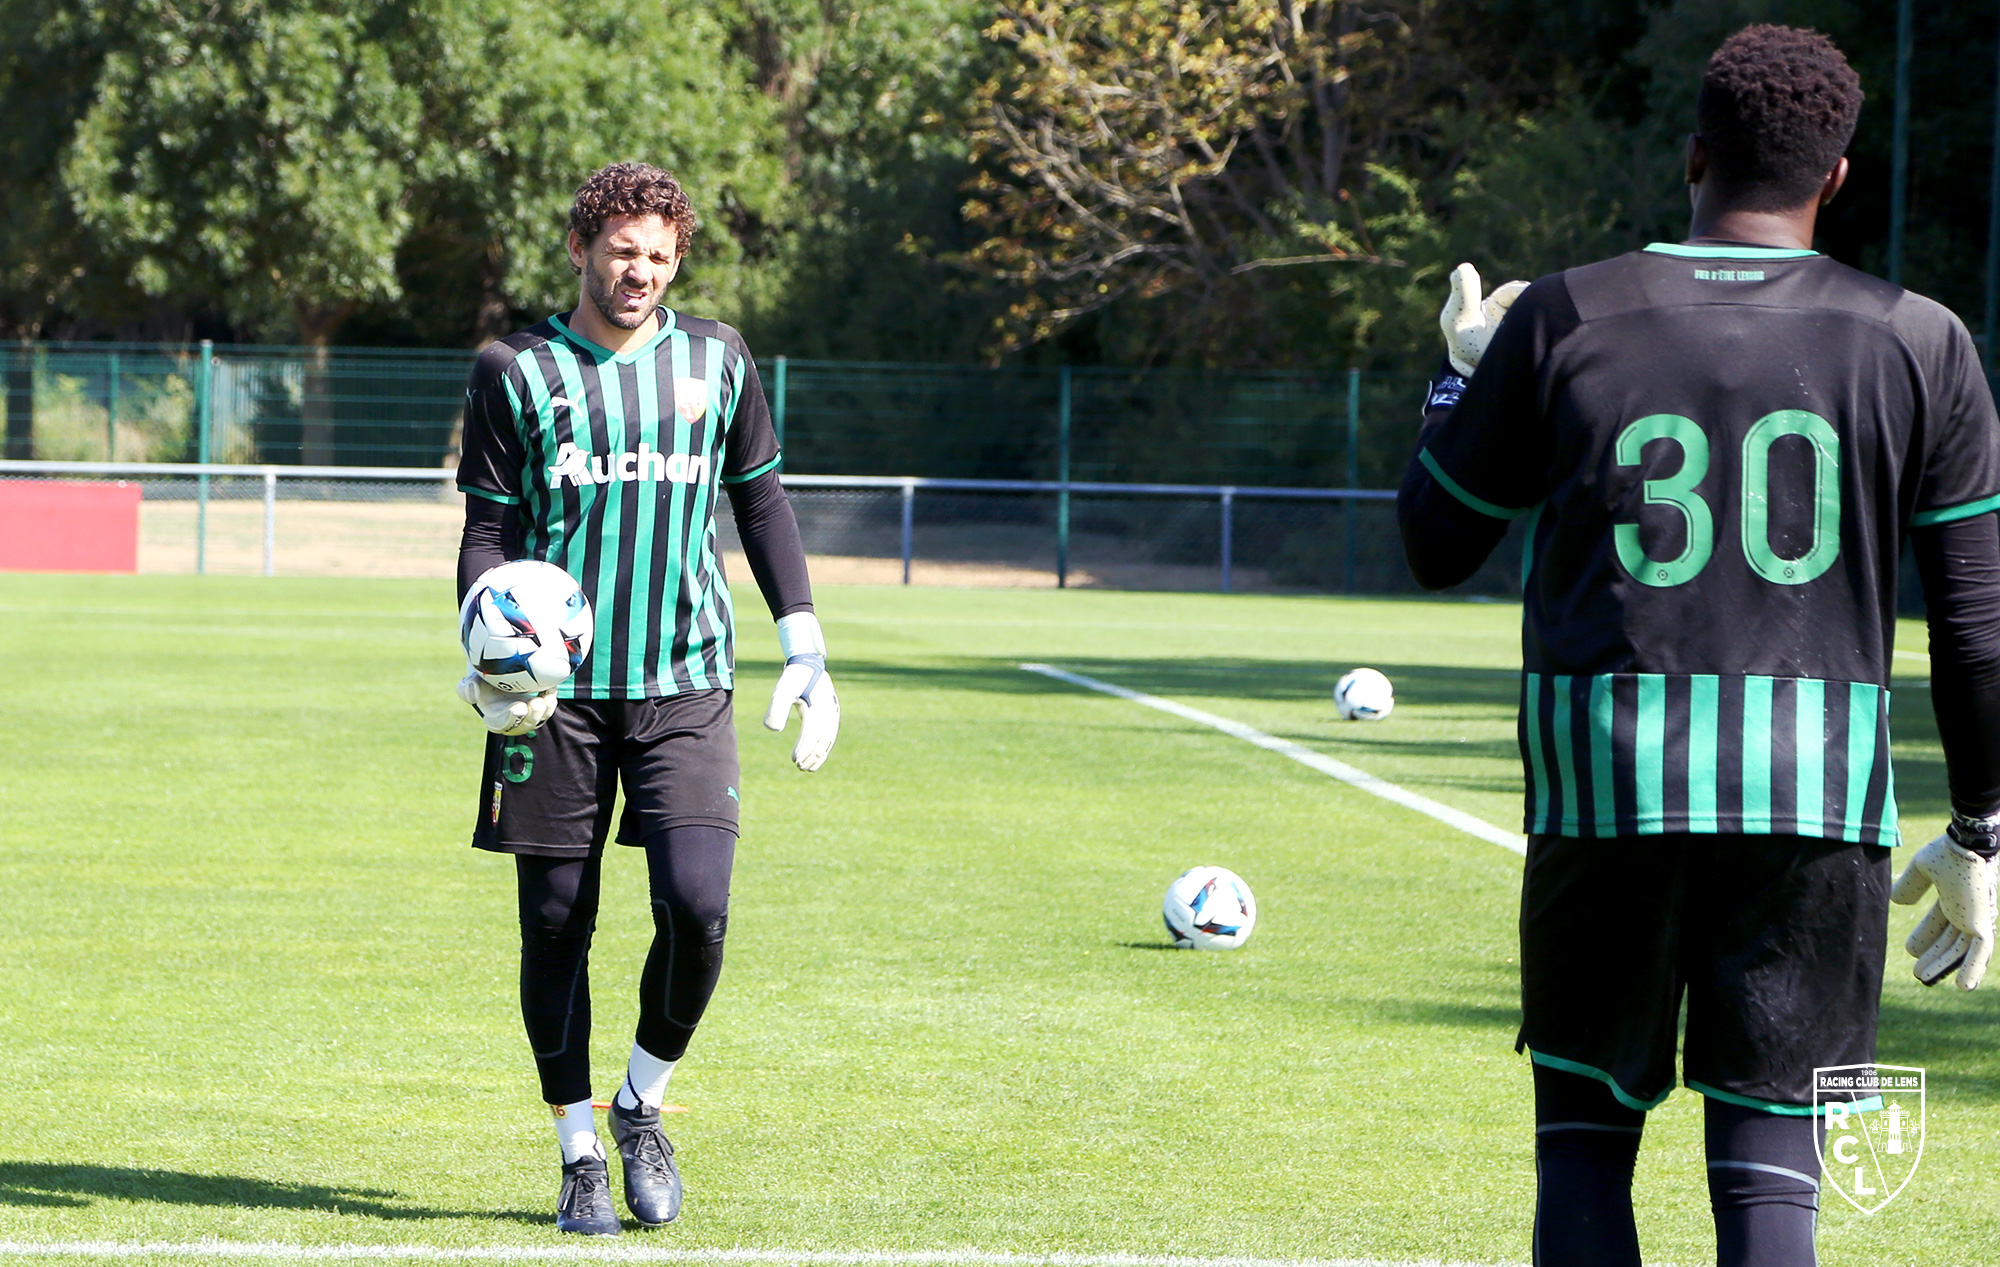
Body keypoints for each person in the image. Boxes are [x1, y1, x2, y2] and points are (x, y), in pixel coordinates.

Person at [1398, 26, 2000, 1267]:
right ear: (1834, 177)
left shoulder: (1564, 312)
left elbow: (1434, 544)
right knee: (1773, 1172)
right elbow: (1976, 627)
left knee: (1580, 1148)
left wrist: (1459, 379)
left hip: (1604, 787)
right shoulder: (1920, 340)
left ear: (1692, 156)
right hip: (1813, 802)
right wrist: (1979, 827)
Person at [452, 162, 839, 1236]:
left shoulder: (716, 359)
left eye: (660, 256)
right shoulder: (515, 370)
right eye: (623, 250)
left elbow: (759, 502)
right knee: (555, 922)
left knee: (699, 906)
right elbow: (487, 532)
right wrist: (483, 643)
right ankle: (579, 1147)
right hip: (556, 701)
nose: (640, 271)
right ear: (582, 248)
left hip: (685, 680)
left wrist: (801, 638)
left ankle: (641, 1102)